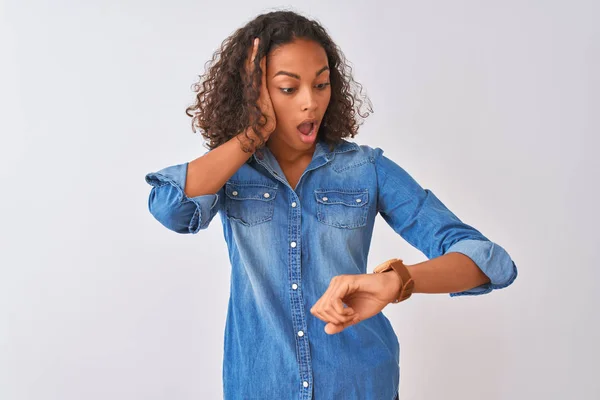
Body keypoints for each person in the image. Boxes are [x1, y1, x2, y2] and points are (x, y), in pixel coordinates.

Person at [144, 10, 518, 400]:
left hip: (360, 386)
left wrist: (395, 281)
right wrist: (253, 132)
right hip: (260, 387)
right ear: (255, 93)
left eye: (321, 84)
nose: (311, 103)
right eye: (289, 89)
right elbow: (171, 208)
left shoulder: (366, 169)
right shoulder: (231, 172)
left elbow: (489, 262)